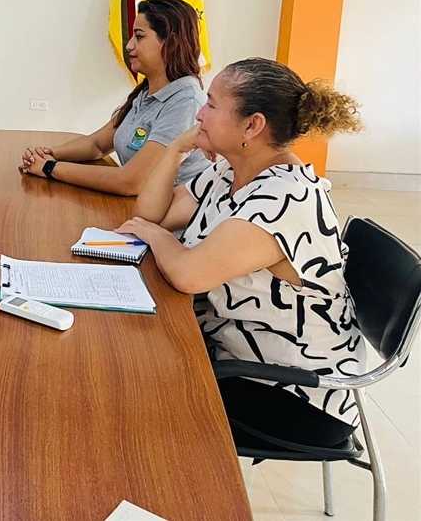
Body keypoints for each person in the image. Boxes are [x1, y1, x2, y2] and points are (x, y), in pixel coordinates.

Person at [117, 57, 365, 441]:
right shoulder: (232, 171)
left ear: (252, 125)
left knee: (132, 389)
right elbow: (153, 214)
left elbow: (187, 274)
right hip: (236, 357)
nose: (199, 113)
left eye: (212, 105)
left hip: (295, 390)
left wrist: (159, 238)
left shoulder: (284, 199)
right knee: (126, 362)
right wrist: (175, 150)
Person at [20, 0, 209, 195]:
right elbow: (96, 145)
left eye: (139, 37)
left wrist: (50, 168)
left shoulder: (185, 103)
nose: (129, 46)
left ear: (171, 44)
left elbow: (130, 182)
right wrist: (47, 154)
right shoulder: (146, 92)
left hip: (169, 214)